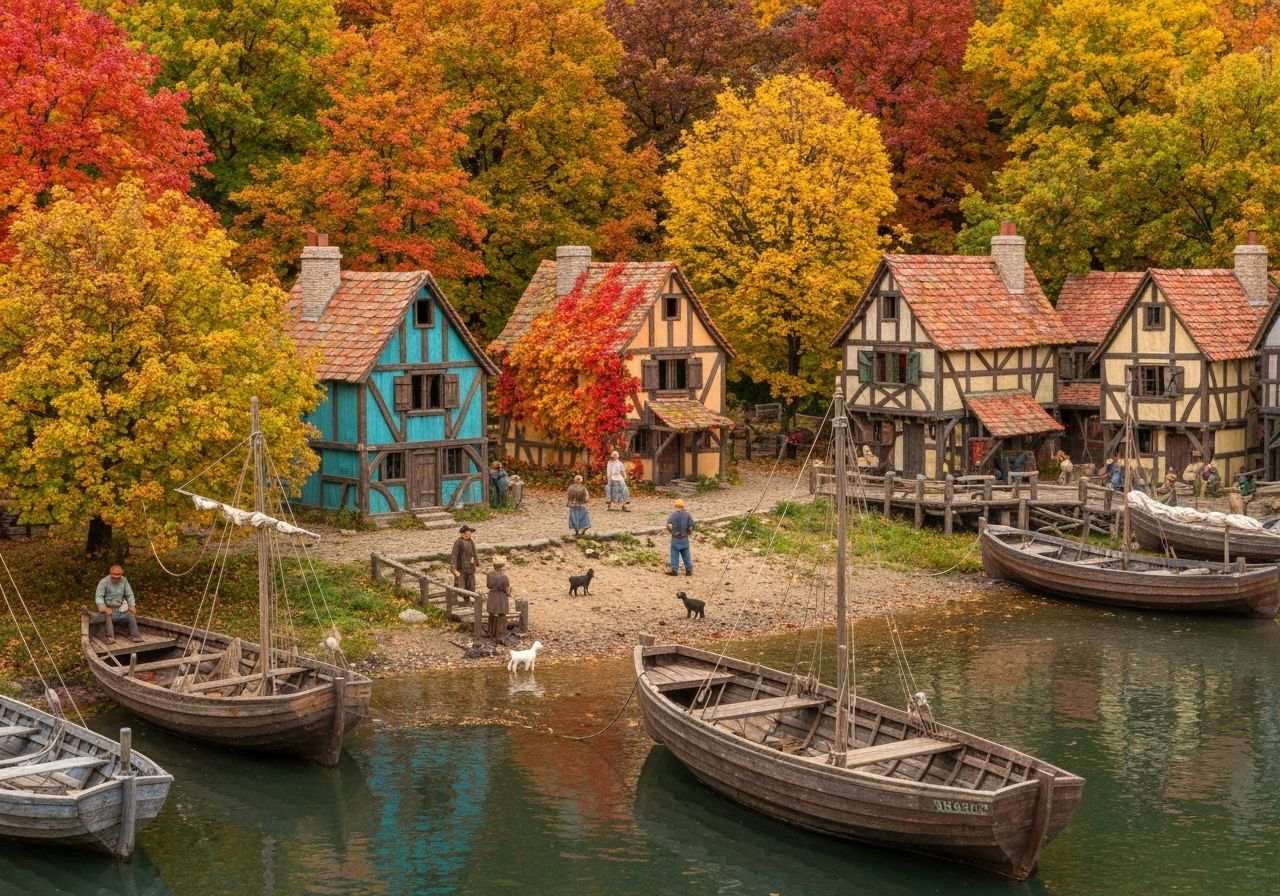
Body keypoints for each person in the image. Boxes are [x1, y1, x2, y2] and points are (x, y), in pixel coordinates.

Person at [93, 563, 141, 643]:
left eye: (118, 574)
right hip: (108, 609)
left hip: (120, 609)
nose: (116, 576)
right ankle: (110, 637)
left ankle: (136, 637)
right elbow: (99, 597)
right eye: (114, 574)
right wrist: (104, 608)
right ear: (110, 573)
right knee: (108, 616)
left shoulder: (124, 580)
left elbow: (129, 594)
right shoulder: (103, 582)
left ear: (121, 573)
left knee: (131, 615)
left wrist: (132, 606)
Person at [666, 498, 695, 577]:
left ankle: (674, 569)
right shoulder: (687, 515)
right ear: (683, 506)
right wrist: (689, 532)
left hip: (675, 537)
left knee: (674, 554)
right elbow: (691, 526)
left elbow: (669, 525)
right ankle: (688, 570)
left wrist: (670, 529)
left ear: (675, 506)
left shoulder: (673, 515)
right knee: (686, 554)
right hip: (684, 538)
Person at [485, 556, 511, 641]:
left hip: (492, 596)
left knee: (491, 614)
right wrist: (509, 591)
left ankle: (491, 632)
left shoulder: (489, 575)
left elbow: (488, 586)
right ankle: (500, 633)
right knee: (502, 615)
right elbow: (506, 589)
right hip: (500, 598)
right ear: (502, 566)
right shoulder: (504, 577)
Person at [451, 525, 479, 599]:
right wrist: (454, 569)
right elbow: (454, 555)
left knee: (471, 586)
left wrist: (476, 562)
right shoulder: (458, 543)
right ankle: (461, 600)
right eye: (468, 533)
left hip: (470, 568)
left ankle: (471, 599)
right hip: (461, 569)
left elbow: (474, 552)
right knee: (461, 587)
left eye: (470, 533)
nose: (470, 535)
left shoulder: (471, 541)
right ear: (463, 534)